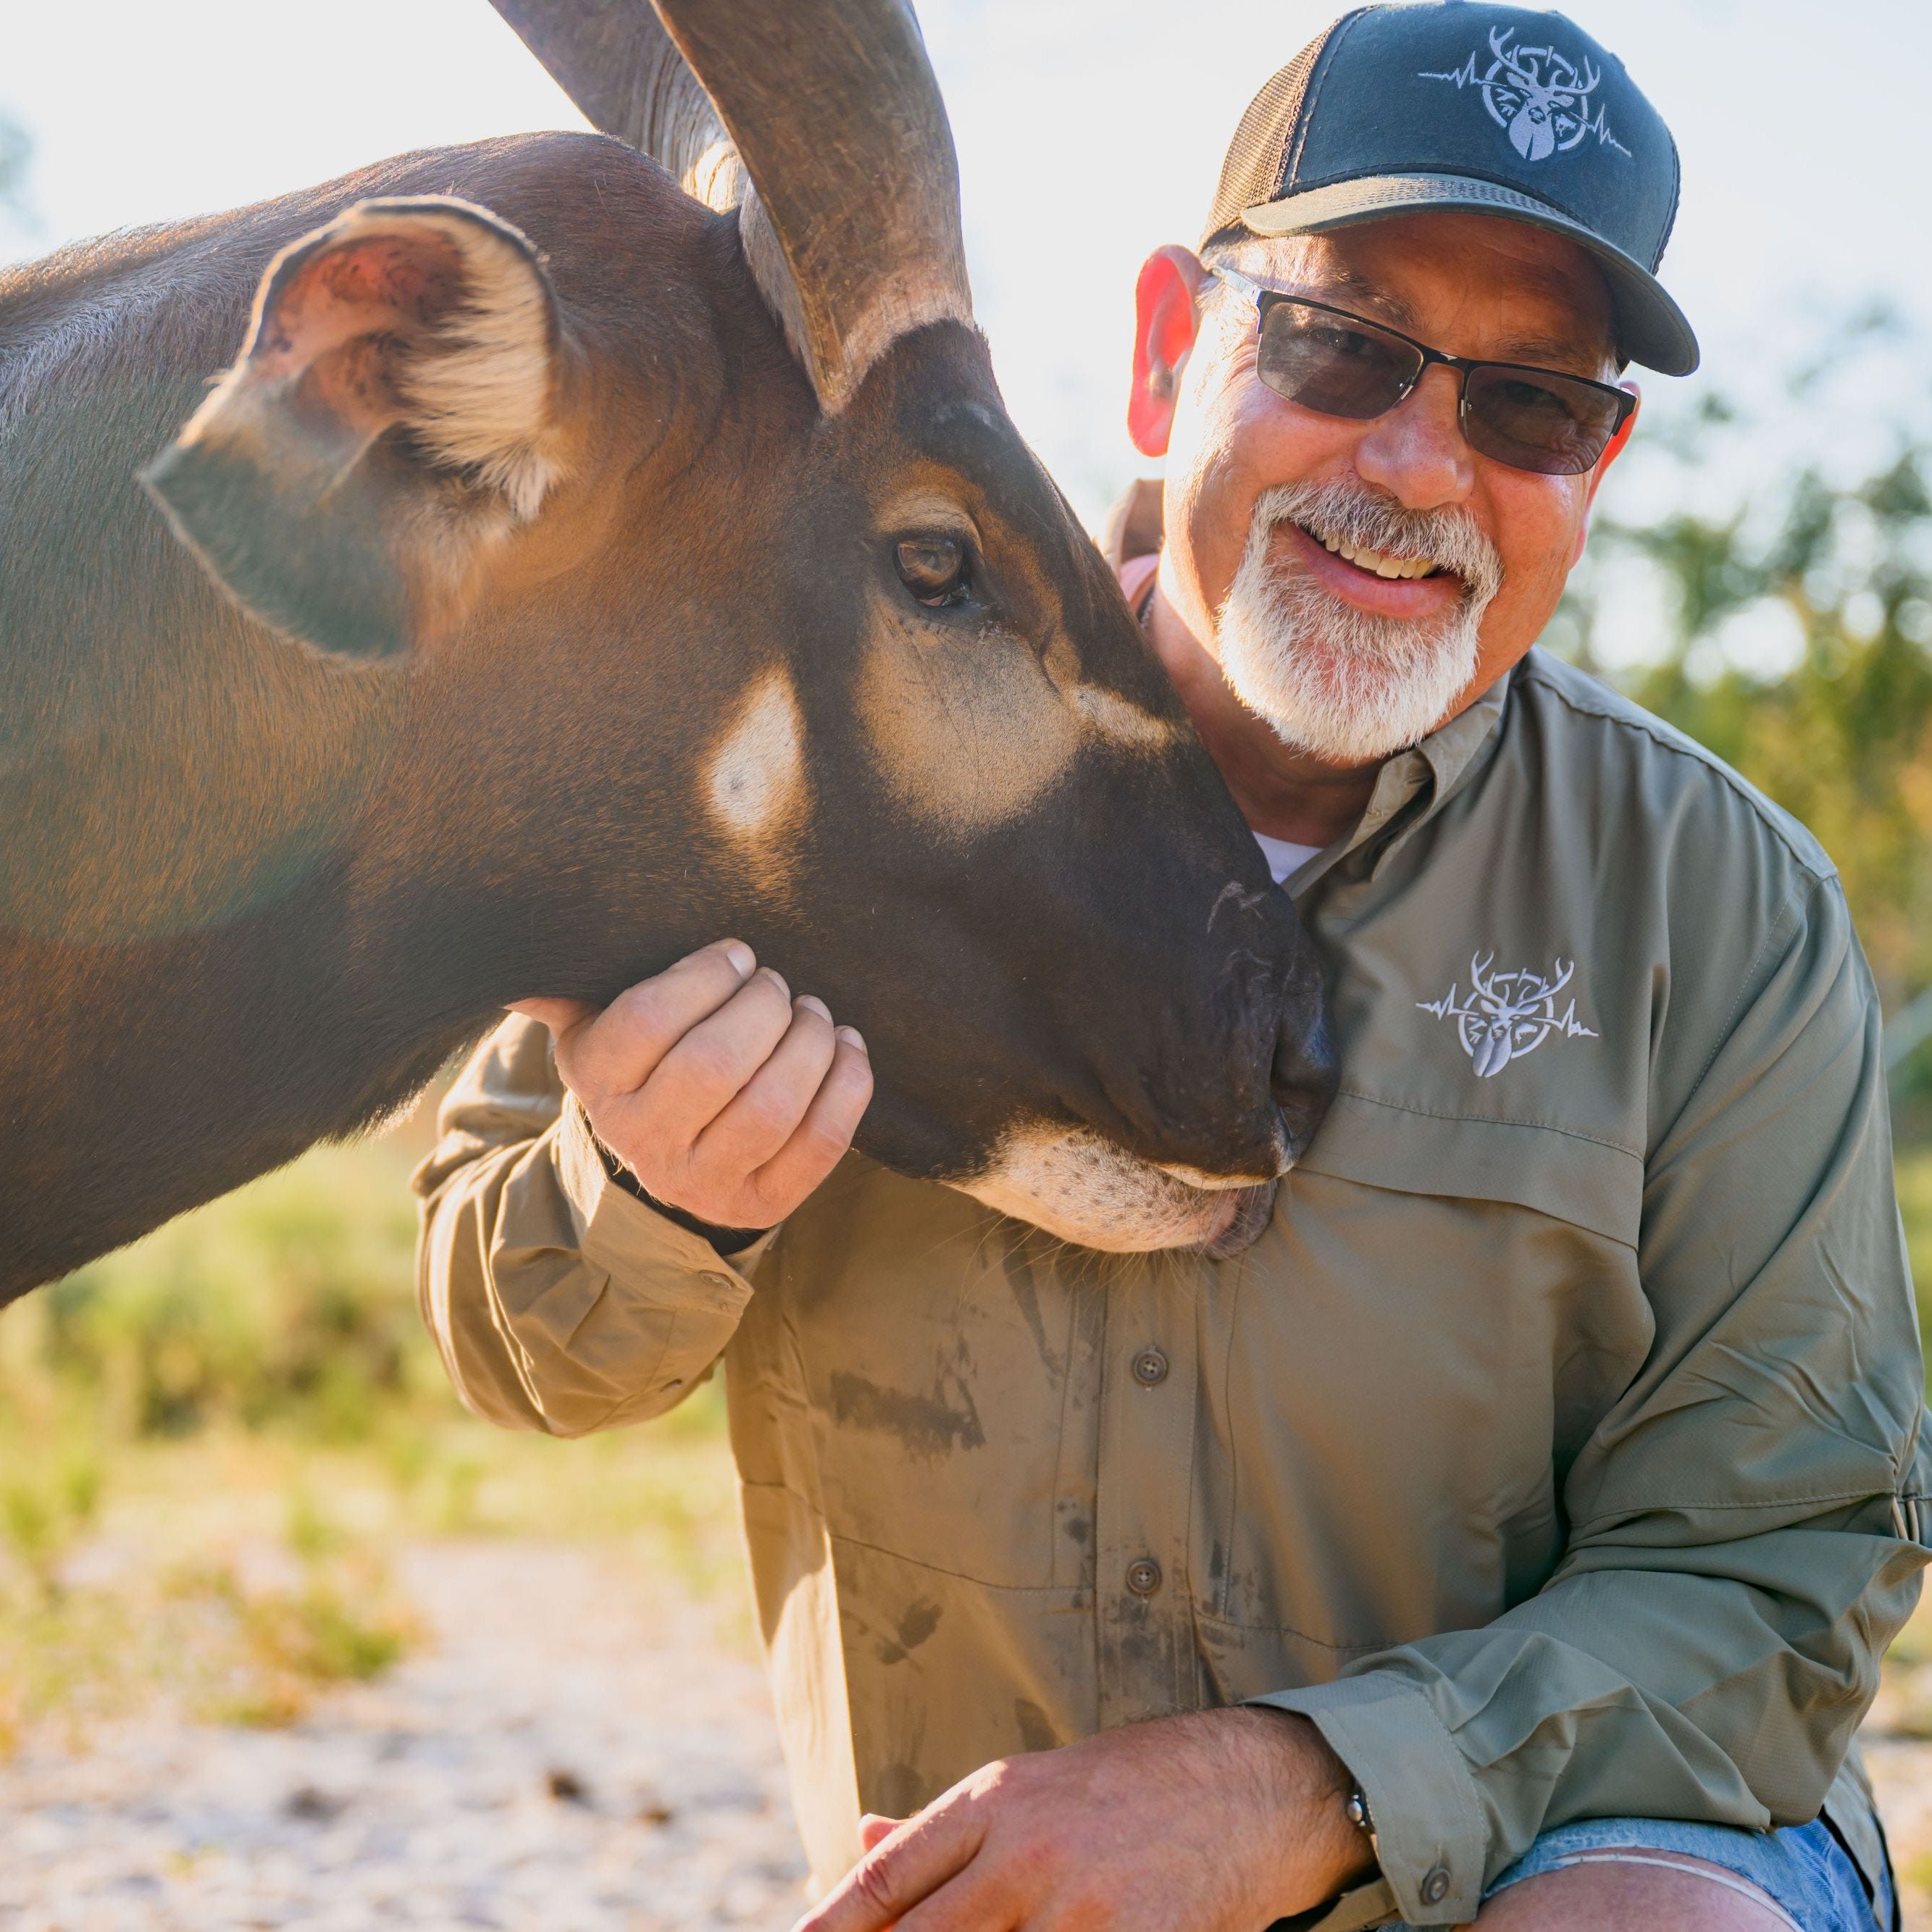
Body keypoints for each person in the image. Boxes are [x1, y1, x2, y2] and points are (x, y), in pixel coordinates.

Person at [412, 6, 1931, 1927]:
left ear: (1595, 467)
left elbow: (1774, 1573)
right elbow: (515, 1338)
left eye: (1526, 404)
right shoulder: (802, 768)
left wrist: (1310, 1784)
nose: (1413, 463)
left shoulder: (1721, 911)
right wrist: (644, 1187)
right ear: (1160, 354)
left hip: (1547, 1869)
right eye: (1341, 348)